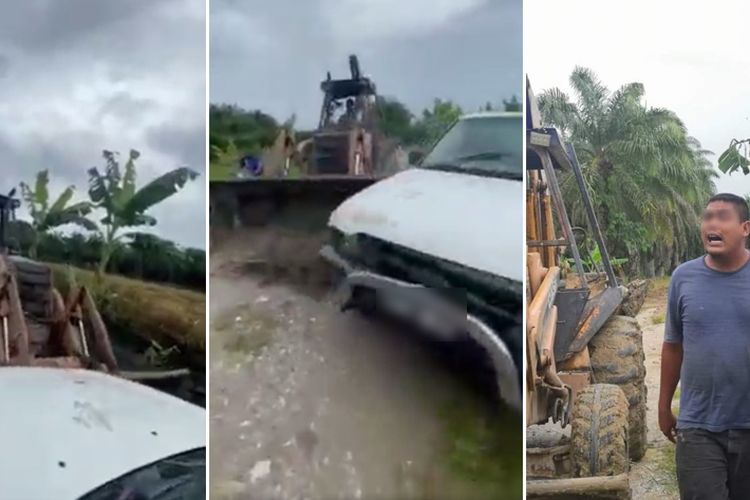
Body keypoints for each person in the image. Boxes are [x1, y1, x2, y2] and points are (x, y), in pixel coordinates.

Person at [659, 192, 750, 500]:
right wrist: (663, 406)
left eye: (723, 217)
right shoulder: (683, 278)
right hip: (698, 426)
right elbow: (673, 345)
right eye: (707, 217)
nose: (712, 223)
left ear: (745, 228)